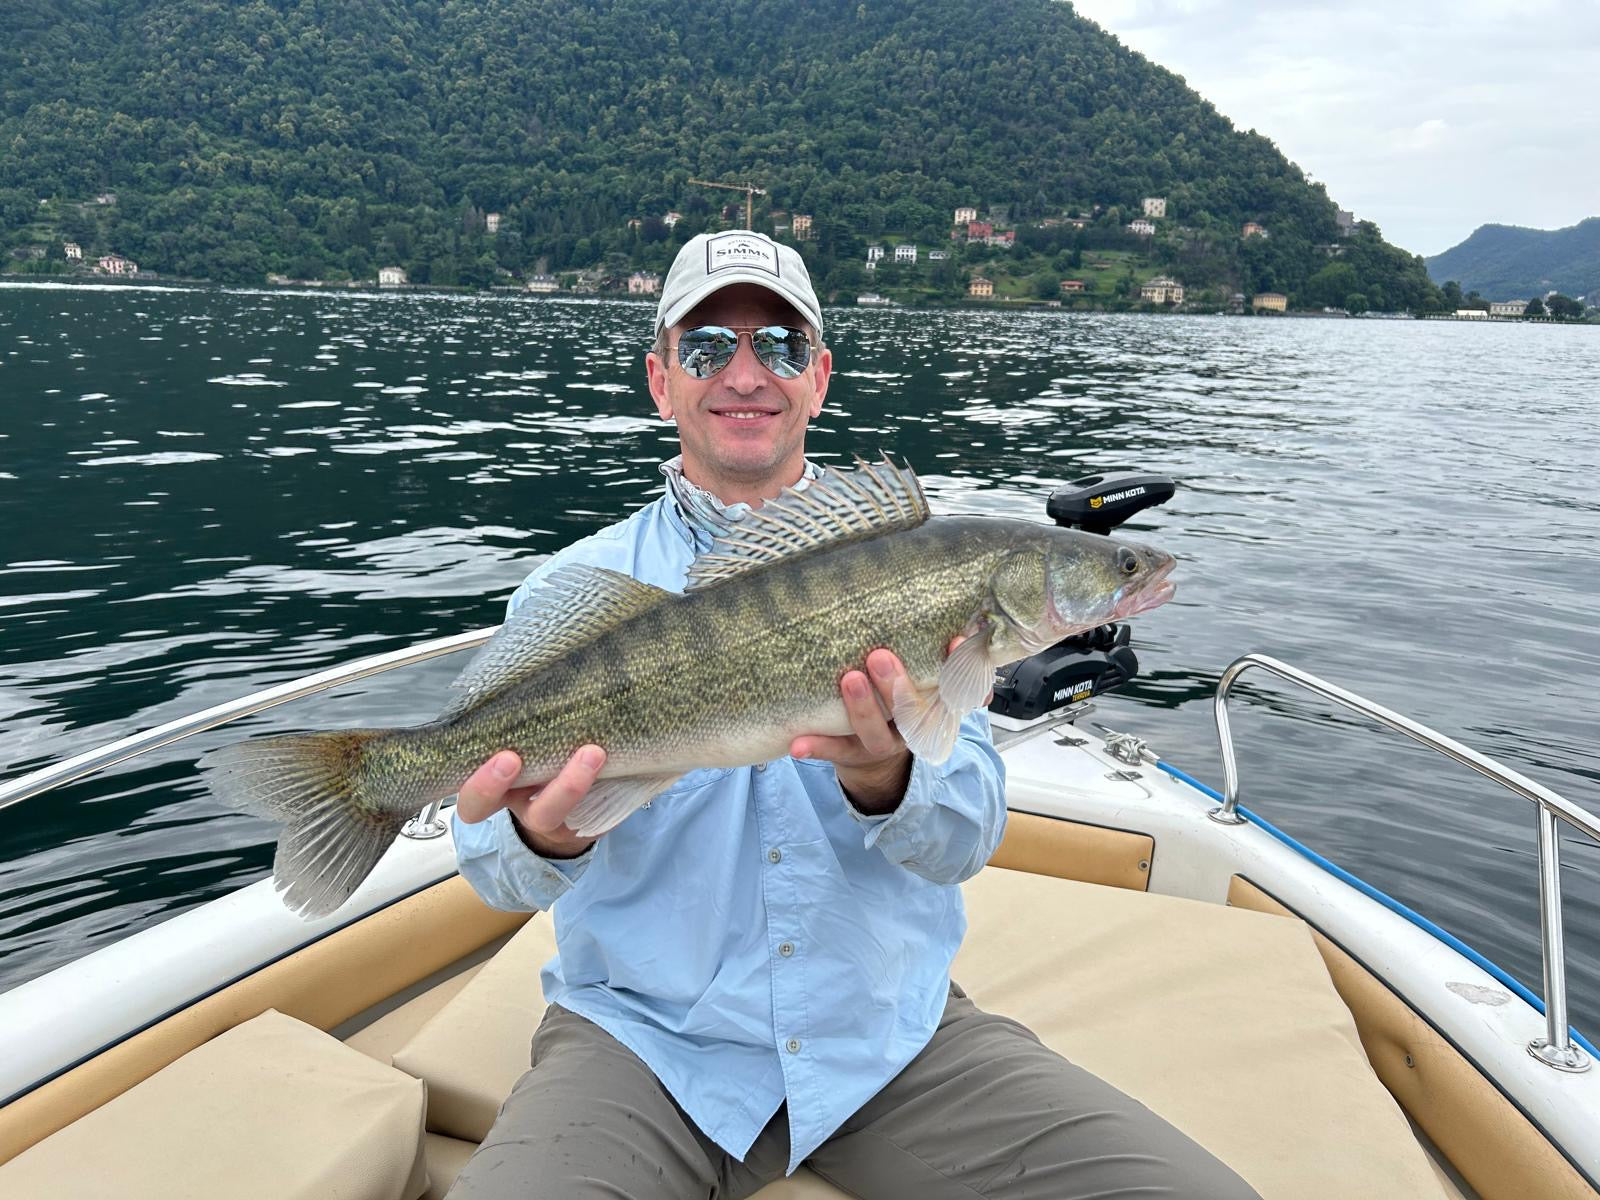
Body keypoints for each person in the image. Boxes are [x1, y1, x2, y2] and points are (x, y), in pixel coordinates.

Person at [447, 230, 1259, 1200]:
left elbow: (962, 842)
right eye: (706, 347)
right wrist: (547, 838)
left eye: (780, 348)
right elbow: (491, 873)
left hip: (886, 1042)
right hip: (646, 1045)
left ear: (819, 378)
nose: (745, 374)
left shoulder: (924, 562)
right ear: (661, 381)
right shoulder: (574, 589)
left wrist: (888, 780)